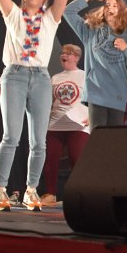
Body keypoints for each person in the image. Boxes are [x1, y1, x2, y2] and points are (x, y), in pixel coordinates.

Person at [0, 0, 69, 211]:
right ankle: (0, 188)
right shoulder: (14, 15)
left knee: (39, 142)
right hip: (14, 75)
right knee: (11, 136)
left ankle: (31, 189)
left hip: (41, 79)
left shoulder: (50, 18)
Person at [63, 0, 127, 128]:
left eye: (115, 5)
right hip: (96, 91)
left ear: (122, 11)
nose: (110, 8)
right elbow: (68, 12)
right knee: (97, 138)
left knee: (115, 138)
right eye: (107, 4)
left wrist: (126, 49)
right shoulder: (90, 30)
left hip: (118, 93)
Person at [40, 44, 89, 205]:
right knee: (50, 160)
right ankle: (50, 194)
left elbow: (94, 98)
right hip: (55, 124)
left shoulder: (85, 76)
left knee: (77, 160)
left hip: (78, 124)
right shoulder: (55, 78)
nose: (64, 55)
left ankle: (77, 194)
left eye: (68, 53)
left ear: (77, 57)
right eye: (63, 53)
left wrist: (91, 116)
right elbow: (49, 101)